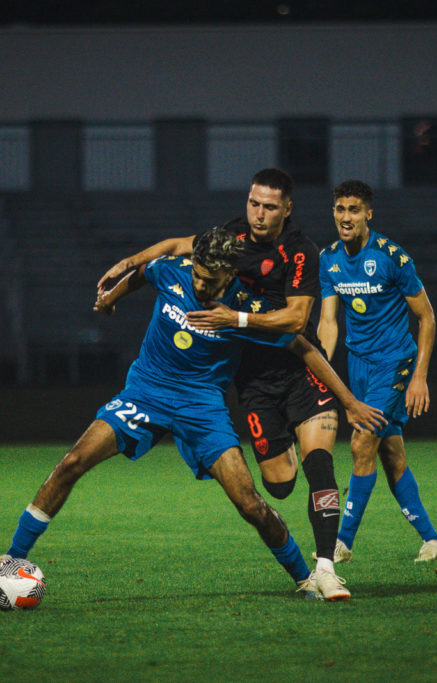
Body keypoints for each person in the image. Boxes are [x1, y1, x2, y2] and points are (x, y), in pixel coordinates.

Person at [0, 227, 384, 600]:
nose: (200, 285)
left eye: (209, 280)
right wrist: (111, 299)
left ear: (229, 275)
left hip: (202, 406)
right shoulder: (173, 271)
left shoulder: (244, 308)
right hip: (146, 391)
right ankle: (11, 557)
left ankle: (304, 578)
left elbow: (303, 346)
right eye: (197, 275)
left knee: (250, 504)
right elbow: (143, 273)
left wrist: (348, 401)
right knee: (73, 462)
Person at [97, 168, 353, 582]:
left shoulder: (300, 251)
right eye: (254, 203)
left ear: (287, 209)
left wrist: (234, 318)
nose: (259, 214)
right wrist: (129, 262)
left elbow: (296, 321)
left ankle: (325, 568)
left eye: (269, 207)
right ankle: (289, 448)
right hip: (253, 378)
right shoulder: (231, 237)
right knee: (279, 485)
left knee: (319, 464)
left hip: (298, 366)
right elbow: (175, 246)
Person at [317, 179, 437, 563]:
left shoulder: (392, 257)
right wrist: (320, 369)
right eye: (340, 209)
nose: (346, 217)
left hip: (394, 362)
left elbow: (427, 317)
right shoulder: (328, 259)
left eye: (354, 210)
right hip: (357, 365)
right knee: (391, 453)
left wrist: (419, 377)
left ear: (368, 214)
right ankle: (432, 541)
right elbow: (328, 322)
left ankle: (340, 543)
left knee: (361, 444)